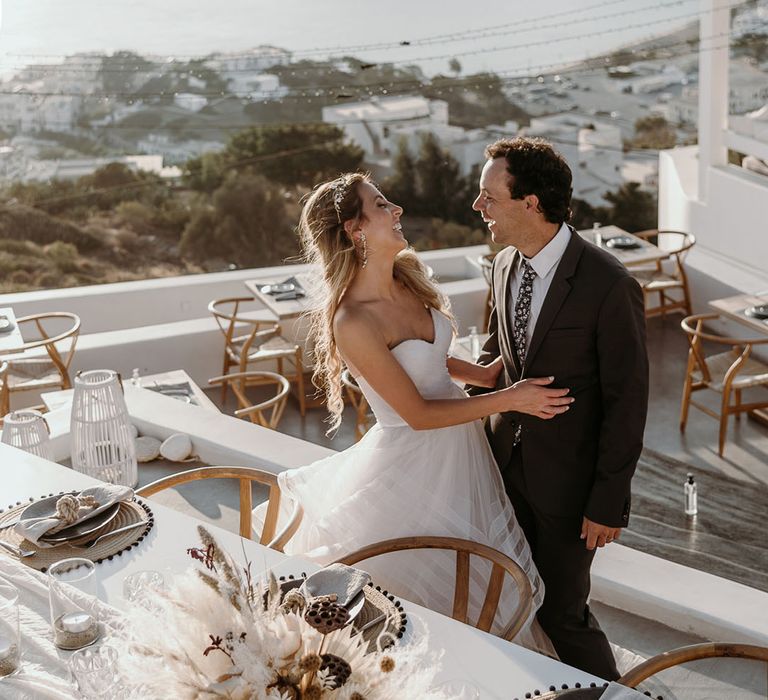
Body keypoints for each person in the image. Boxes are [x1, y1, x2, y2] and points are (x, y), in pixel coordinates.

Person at [259, 172, 573, 648]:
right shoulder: (353, 319)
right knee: (419, 596)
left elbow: (429, 359)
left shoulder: (407, 281)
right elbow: (419, 414)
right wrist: (512, 398)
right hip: (412, 464)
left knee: (470, 582)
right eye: (381, 204)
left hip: (459, 452)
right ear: (354, 229)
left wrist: (485, 376)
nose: (397, 210)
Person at [471, 137, 649, 680]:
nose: (478, 208)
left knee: (563, 613)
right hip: (504, 470)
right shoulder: (502, 265)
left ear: (531, 203)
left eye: (488, 197)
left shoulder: (610, 284)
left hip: (572, 490)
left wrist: (607, 502)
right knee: (512, 598)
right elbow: (498, 355)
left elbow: (628, 402)